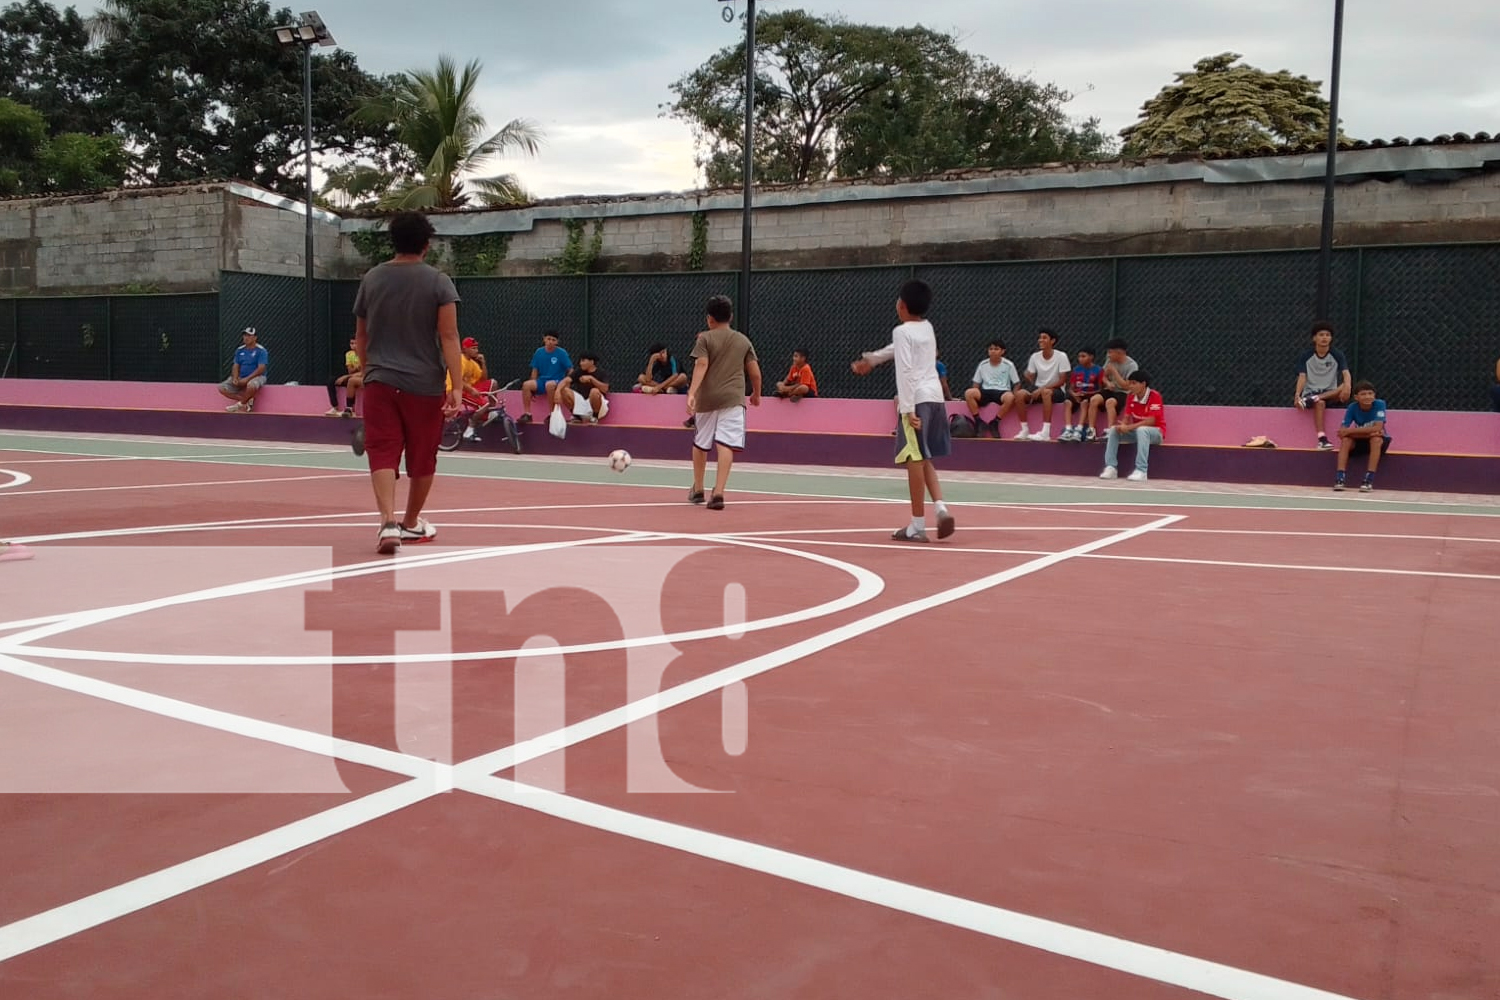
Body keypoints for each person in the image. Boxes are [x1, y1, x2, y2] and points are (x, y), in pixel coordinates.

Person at [352, 211, 464, 554]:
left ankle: (387, 521)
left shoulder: (372, 279)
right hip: (424, 384)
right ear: (427, 245)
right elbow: (449, 336)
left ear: (394, 242)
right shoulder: (439, 282)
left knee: (382, 450)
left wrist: (371, 374)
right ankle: (412, 522)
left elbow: (361, 337)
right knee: (423, 456)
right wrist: (457, 386)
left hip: (381, 382)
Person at [851, 278, 955, 542]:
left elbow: (906, 371)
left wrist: (907, 410)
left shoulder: (901, 331)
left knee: (913, 459)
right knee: (923, 456)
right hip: (935, 398)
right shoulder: (927, 328)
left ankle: (918, 525)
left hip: (916, 400)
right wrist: (872, 360)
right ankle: (941, 509)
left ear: (902, 306)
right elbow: (895, 351)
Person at [686, 295, 761, 510]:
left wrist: (691, 393)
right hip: (733, 398)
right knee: (725, 442)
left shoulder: (705, 339)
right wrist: (756, 393)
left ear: (709, 319)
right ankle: (718, 492)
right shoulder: (743, 340)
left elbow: (701, 364)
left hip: (707, 398)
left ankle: (698, 488)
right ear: (731, 316)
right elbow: (754, 372)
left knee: (701, 442)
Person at [1099, 370, 1166, 482]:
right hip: (1138, 432)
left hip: (1156, 433)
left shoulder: (1155, 396)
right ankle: (1111, 468)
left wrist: (1129, 427)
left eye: (1134, 383)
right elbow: (1127, 416)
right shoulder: (1130, 396)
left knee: (1142, 430)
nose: (1130, 386)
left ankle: (1141, 470)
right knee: (1114, 430)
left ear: (1143, 384)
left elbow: (1151, 421)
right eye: (1129, 383)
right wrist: (1123, 426)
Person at [1294, 321, 1352, 450]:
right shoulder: (1306, 356)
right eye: (1321, 335)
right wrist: (1297, 395)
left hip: (1331, 393)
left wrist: (1347, 387)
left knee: (1343, 387)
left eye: (1327, 335)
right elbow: (1302, 377)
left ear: (1331, 338)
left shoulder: (1337, 354)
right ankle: (1322, 439)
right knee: (1320, 403)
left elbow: (1346, 373)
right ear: (1314, 338)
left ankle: (1315, 398)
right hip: (1311, 392)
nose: (1324, 338)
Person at [1013, 328, 1071, 441]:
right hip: (1038, 389)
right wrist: (1028, 377)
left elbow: (1062, 380)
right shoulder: (1035, 356)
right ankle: (1024, 430)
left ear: (1052, 341)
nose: (1040, 340)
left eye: (1044, 338)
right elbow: (1031, 378)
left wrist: (1043, 388)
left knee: (1046, 392)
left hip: (1056, 390)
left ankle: (1045, 432)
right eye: (1040, 338)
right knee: (1020, 394)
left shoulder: (1061, 356)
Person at [1334, 381, 1391, 493]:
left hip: (1377, 441)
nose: (1367, 397)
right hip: (1360, 440)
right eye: (1363, 394)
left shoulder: (1380, 404)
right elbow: (1342, 432)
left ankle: (1368, 480)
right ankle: (1340, 478)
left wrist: (1351, 431)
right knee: (1346, 441)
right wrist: (1366, 432)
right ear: (1356, 397)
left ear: (1374, 395)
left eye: (1370, 393)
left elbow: (1378, 428)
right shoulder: (1352, 407)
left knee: (1376, 439)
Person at [961, 340, 1021, 438]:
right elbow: (976, 383)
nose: (993, 351)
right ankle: (979, 422)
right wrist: (974, 397)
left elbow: (1017, 383)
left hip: (1002, 392)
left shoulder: (1009, 365)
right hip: (986, 391)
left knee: (1010, 398)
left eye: (996, 349)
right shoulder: (982, 364)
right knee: (969, 393)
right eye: (991, 349)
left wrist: (1015, 395)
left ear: (1002, 351)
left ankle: (995, 422)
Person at [519, 331, 573, 423]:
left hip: (556, 381)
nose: (550, 342)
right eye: (548, 339)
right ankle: (527, 414)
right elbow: (535, 370)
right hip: (542, 381)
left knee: (549, 384)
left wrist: (566, 384)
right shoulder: (539, 352)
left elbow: (570, 370)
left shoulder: (561, 353)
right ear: (544, 339)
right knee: (526, 385)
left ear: (557, 342)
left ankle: (552, 414)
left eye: (553, 340)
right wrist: (533, 385)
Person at [1059, 346, 1104, 442]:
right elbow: (1071, 388)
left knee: (1084, 403)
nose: (1080, 359)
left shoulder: (1098, 370)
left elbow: (1100, 389)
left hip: (1089, 395)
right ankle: (1068, 429)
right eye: (1079, 356)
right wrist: (1074, 395)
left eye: (1083, 356)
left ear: (1091, 357)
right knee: (1067, 402)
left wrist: (1088, 393)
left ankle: (1079, 429)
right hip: (1077, 394)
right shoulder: (1076, 370)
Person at [218, 327, 268, 413]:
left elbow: (261, 369)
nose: (246, 338)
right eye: (245, 335)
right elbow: (236, 365)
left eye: (249, 335)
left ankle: (239, 405)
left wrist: (247, 379)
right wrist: (235, 377)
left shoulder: (261, 351)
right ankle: (247, 400)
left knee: (251, 385)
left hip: (258, 376)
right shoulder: (239, 350)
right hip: (241, 377)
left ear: (255, 338)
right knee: (222, 388)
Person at [1099, 337, 1139, 429]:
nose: (1108, 355)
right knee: (1094, 400)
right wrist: (1108, 383)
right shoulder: (1110, 361)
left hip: (1124, 393)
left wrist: (1114, 371)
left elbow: (1127, 386)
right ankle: (1090, 429)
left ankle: (1111, 429)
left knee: (1110, 402)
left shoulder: (1132, 365)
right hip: (1111, 390)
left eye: (1110, 352)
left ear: (1119, 353)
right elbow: (1103, 376)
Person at [559, 353, 610, 423]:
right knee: (564, 390)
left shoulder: (602, 373)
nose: (580, 363)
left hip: (599, 407)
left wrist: (591, 379)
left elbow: (605, 389)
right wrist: (557, 392)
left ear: (591, 362)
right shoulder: (579, 371)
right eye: (580, 361)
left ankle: (595, 417)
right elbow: (566, 381)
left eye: (583, 361)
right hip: (582, 404)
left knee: (594, 391)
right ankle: (577, 416)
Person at [325, 336, 362, 416]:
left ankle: (350, 409)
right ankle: (335, 407)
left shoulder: (364, 355)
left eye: (356, 343)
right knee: (331, 380)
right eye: (351, 343)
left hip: (361, 377)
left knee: (351, 381)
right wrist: (356, 368)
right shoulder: (349, 354)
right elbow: (350, 370)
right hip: (351, 376)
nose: (353, 345)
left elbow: (363, 371)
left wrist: (348, 376)